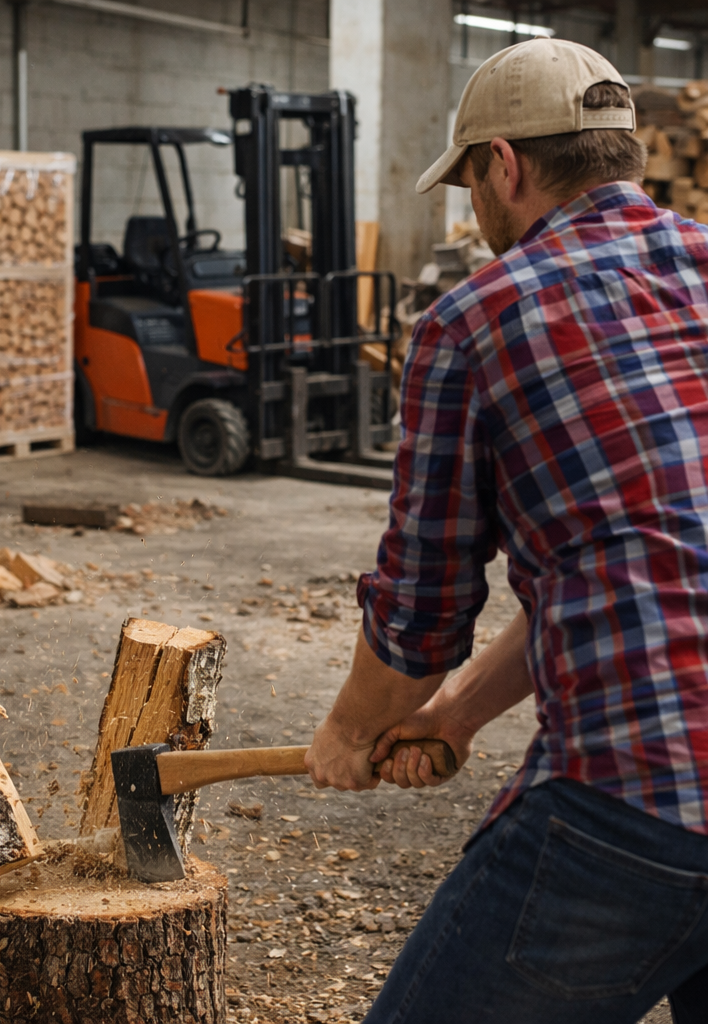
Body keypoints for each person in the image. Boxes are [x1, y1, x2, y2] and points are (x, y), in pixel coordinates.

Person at [305, 36, 708, 1024]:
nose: (472, 212)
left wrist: (352, 728)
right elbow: (631, 566)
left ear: (502, 164)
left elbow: (419, 619)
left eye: (469, 183)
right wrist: (454, 717)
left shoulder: (473, 320)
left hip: (642, 798)